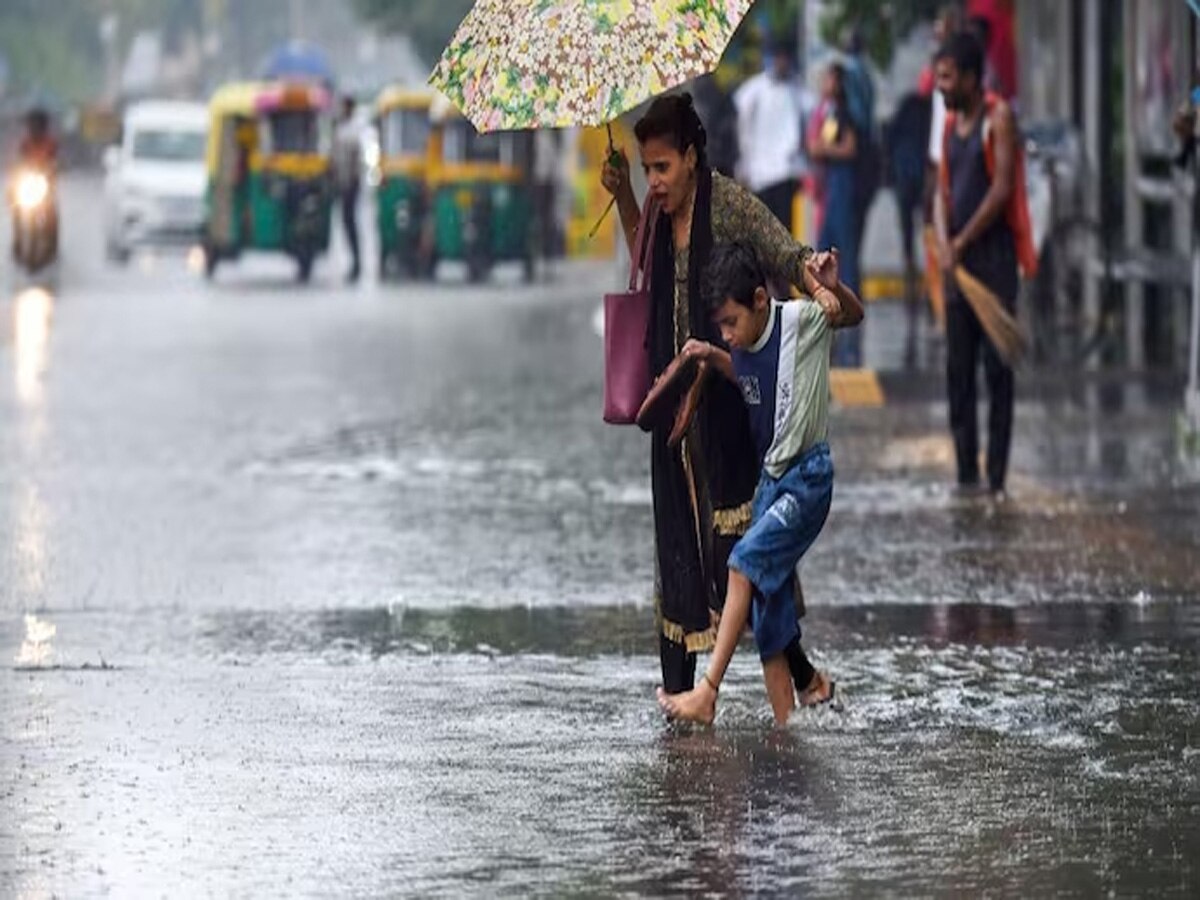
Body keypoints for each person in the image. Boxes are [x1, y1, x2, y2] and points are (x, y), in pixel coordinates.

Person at [601, 93, 827, 706]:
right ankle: (681, 695)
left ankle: (799, 678)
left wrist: (819, 279)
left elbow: (783, 250)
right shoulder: (651, 207)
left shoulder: (726, 204)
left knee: (740, 552)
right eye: (647, 168)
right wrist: (624, 195)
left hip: (726, 403)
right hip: (671, 406)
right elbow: (646, 266)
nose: (655, 181)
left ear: (692, 157)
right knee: (676, 542)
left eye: (662, 168)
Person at [656, 241, 863, 725]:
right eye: (720, 327)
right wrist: (711, 354)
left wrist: (834, 290)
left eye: (731, 322)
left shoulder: (801, 322)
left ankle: (707, 692)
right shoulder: (739, 345)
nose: (728, 334)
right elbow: (751, 377)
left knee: (743, 564)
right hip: (771, 482)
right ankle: (785, 728)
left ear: (759, 301)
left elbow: (852, 316)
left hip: (806, 480)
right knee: (768, 612)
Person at [934, 31, 1028, 497]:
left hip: (993, 264)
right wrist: (943, 241)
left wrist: (963, 239)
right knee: (958, 372)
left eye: (948, 77)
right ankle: (967, 475)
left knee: (997, 369)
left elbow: (1003, 186)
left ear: (972, 78)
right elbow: (941, 189)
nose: (940, 86)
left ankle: (996, 480)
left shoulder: (998, 117)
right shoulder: (951, 125)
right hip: (958, 271)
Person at [808, 63, 862, 367]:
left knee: (843, 252)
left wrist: (824, 149)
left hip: (842, 189)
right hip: (831, 190)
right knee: (828, 247)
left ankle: (846, 302)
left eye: (828, 77)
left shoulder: (842, 112)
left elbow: (847, 148)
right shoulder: (828, 111)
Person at [733, 39, 807, 233]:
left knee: (784, 230)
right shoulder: (754, 90)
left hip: (785, 171)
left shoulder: (796, 90)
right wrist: (744, 163)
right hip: (760, 173)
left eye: (785, 58)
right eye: (779, 57)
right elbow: (742, 125)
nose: (782, 62)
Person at [333, 95, 362, 283]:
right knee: (345, 224)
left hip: (350, 185)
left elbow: (355, 164)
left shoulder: (353, 131)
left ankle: (356, 263)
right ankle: (353, 262)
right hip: (342, 183)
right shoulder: (340, 129)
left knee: (350, 224)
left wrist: (351, 182)